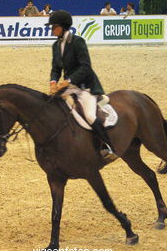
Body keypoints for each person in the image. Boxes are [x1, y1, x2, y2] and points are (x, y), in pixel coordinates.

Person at [46, 10, 117, 160]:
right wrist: (53, 82)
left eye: (54, 27)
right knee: (52, 105)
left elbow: (86, 67)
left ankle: (108, 146)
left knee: (90, 115)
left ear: (63, 27)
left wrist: (68, 80)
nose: (51, 29)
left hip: (85, 86)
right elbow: (56, 68)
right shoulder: (55, 45)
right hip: (70, 86)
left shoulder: (78, 42)